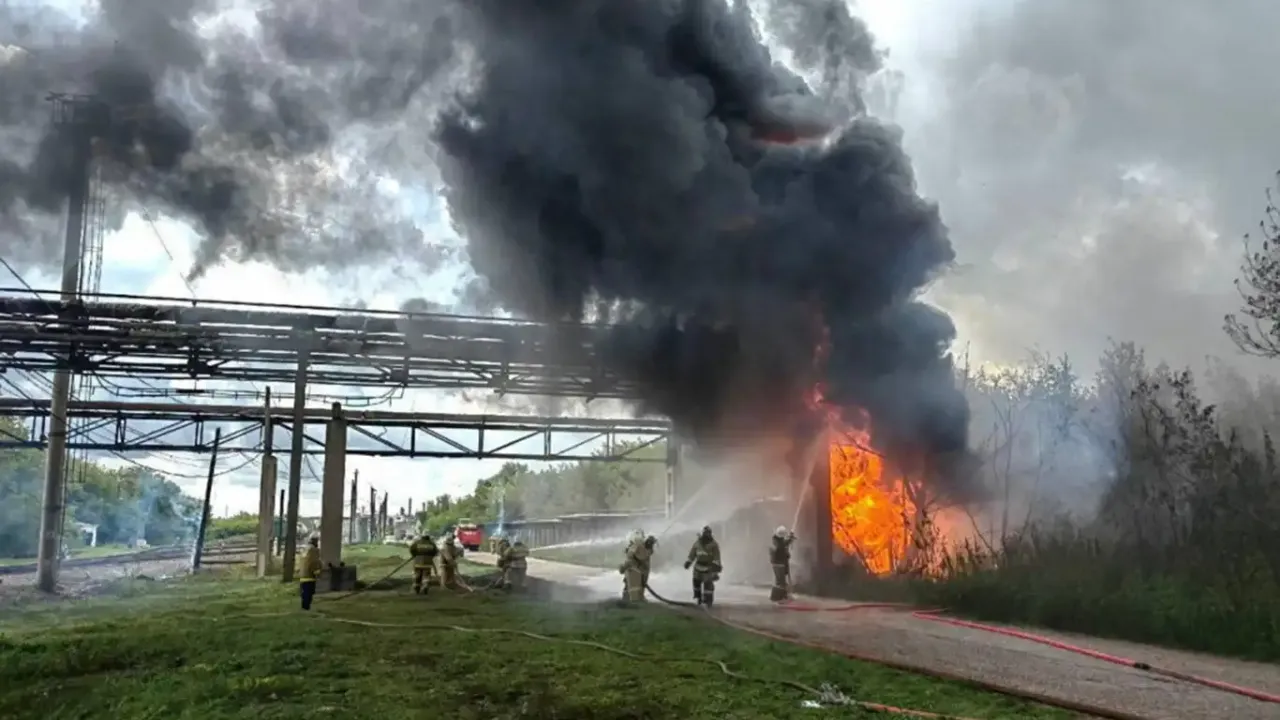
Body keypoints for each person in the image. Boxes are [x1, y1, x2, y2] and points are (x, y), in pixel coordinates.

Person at [684, 525, 722, 607]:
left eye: (708, 533)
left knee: (708, 585)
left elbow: (717, 556)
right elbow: (692, 554)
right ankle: (697, 597)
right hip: (698, 567)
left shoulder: (714, 545)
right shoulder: (697, 543)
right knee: (696, 582)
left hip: (708, 568)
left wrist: (716, 567)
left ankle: (708, 600)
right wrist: (688, 562)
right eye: (706, 533)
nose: (707, 535)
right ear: (703, 533)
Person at [623, 535, 657, 603]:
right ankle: (630, 599)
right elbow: (640, 557)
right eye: (650, 542)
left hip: (640, 571)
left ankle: (637, 598)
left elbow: (644, 558)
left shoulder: (646, 550)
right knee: (632, 586)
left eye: (651, 543)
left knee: (640, 585)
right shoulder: (639, 548)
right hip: (634, 571)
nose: (650, 544)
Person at [769, 526, 796, 602]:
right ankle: (780, 597)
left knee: (781, 581)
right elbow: (781, 546)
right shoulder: (777, 542)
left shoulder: (777, 540)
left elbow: (784, 544)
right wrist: (789, 540)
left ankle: (783, 596)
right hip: (779, 564)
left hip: (780, 563)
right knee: (781, 582)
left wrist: (790, 539)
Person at [299, 534, 323, 611]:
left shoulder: (305, 549)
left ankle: (304, 607)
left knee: (305, 592)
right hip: (310, 575)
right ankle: (306, 608)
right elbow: (314, 562)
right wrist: (317, 572)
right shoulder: (314, 550)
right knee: (309, 593)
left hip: (303, 575)